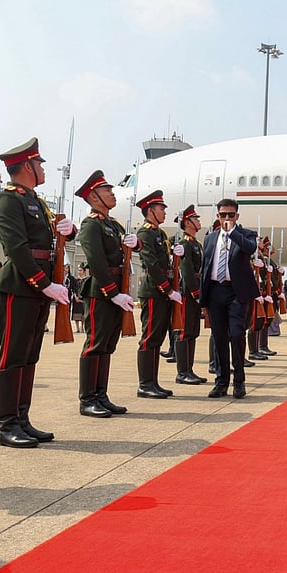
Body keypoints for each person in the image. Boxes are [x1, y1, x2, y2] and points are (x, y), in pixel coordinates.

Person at [0, 137, 74, 448]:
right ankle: (6, 424)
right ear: (27, 166)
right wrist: (44, 283)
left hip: (37, 288)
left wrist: (69, 231)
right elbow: (17, 247)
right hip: (19, 286)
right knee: (13, 356)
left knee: (29, 356)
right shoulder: (8, 200)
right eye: (39, 164)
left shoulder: (37, 201)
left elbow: (49, 239)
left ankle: (22, 419)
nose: (42, 169)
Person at [74, 170, 133, 417]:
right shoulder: (91, 225)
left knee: (108, 344)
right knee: (95, 344)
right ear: (94, 196)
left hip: (116, 289)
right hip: (101, 291)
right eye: (107, 190)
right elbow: (96, 261)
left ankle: (101, 394)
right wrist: (112, 292)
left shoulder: (112, 224)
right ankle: (87, 398)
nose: (112, 193)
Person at [199, 198, 259, 399]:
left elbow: (250, 249)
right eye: (223, 215)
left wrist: (232, 232)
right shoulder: (209, 238)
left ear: (237, 216)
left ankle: (239, 381)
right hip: (215, 291)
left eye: (230, 215)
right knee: (219, 338)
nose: (226, 218)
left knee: (236, 335)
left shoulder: (245, 234)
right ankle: (221, 381)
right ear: (217, 216)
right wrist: (203, 298)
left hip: (236, 292)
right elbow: (205, 267)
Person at [133, 190, 182, 398]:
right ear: (150, 210)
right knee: (150, 337)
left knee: (158, 337)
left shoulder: (160, 234)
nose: (164, 212)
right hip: (154, 291)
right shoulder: (144, 233)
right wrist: (168, 289)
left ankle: (153, 382)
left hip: (162, 291)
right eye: (161, 209)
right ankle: (145, 384)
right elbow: (151, 265)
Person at [174, 204, 207, 385]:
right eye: (196, 218)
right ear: (187, 222)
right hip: (188, 292)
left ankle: (189, 370)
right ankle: (182, 372)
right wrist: (195, 292)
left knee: (193, 331)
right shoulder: (185, 243)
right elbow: (186, 270)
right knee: (185, 332)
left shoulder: (196, 244)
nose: (199, 221)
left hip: (196, 290)